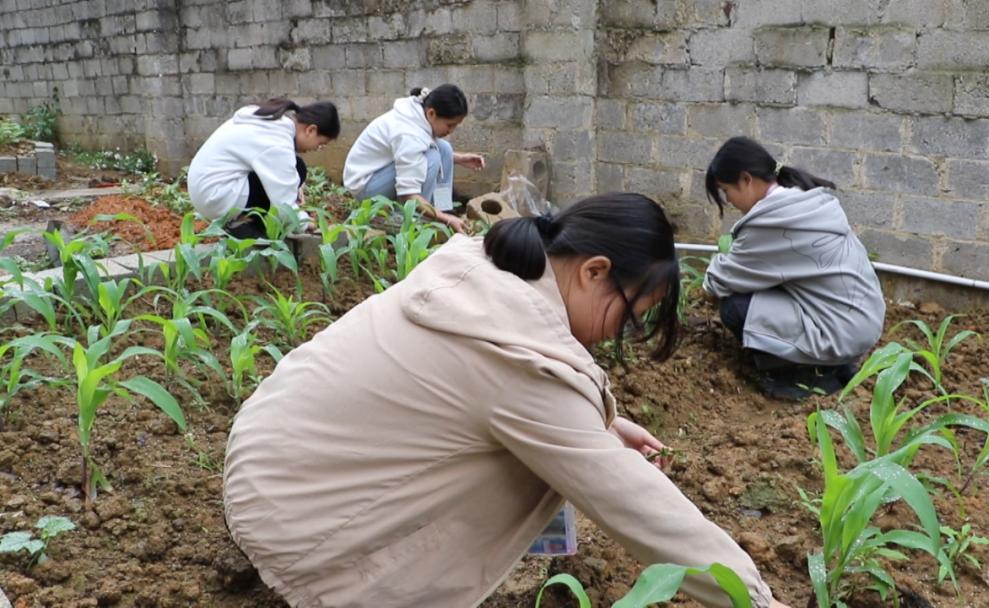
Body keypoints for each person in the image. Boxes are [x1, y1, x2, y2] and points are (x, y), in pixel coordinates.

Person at [223, 193, 789, 608]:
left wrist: (605, 423)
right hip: (301, 532)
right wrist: (757, 599)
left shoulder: (483, 268)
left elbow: (482, 391)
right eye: (630, 316)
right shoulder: (515, 364)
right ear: (595, 271)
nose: (621, 336)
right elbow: (643, 511)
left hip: (266, 464)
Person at [703, 136, 885, 400]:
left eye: (726, 190)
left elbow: (719, 281)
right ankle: (831, 364)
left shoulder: (775, 220)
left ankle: (804, 375)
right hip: (860, 324)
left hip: (841, 331)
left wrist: (702, 290)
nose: (728, 200)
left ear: (746, 179)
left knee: (735, 306)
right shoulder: (805, 201)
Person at [187, 98, 340, 238]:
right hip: (216, 195)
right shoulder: (277, 141)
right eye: (321, 144)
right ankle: (242, 226)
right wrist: (305, 223)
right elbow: (283, 204)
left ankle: (243, 222)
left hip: (205, 188)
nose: (318, 149)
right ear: (311, 130)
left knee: (295, 167)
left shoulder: (272, 123)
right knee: (298, 168)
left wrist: (294, 185)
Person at [342, 84, 485, 234]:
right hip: (366, 188)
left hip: (378, 173)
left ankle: (443, 208)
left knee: (445, 149)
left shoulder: (418, 114)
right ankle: (413, 219)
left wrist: (459, 158)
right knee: (432, 158)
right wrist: (447, 220)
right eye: (449, 125)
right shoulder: (409, 135)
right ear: (431, 113)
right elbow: (409, 195)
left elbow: (413, 152)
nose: (450, 131)